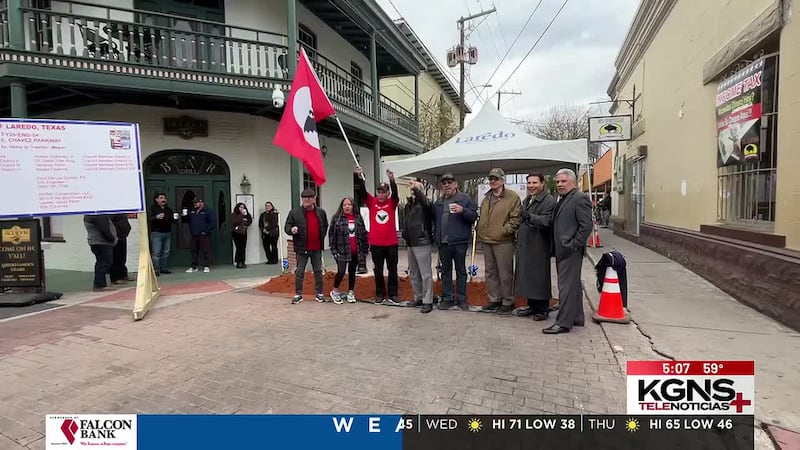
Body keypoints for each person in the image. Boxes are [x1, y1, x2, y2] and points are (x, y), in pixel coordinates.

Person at [543, 168, 593, 334]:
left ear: (573, 182)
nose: (560, 185)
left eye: (563, 181)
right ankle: (577, 317)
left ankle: (563, 323)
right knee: (573, 286)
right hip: (562, 250)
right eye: (558, 182)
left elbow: (586, 226)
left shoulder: (580, 198)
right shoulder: (564, 199)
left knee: (565, 287)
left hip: (570, 250)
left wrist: (573, 244)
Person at [476, 168, 521, 315]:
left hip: (503, 242)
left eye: (496, 178)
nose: (493, 181)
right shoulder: (486, 197)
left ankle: (508, 301)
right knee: (490, 272)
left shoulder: (512, 197)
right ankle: (494, 300)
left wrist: (503, 231)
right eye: (491, 179)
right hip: (487, 240)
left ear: (502, 180)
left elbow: (516, 219)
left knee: (505, 273)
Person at [431, 173, 477, 311]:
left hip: (459, 241)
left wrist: (463, 210)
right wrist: (436, 236)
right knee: (445, 271)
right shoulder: (439, 202)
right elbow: (435, 220)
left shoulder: (465, 199)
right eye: (444, 183)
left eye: (449, 182)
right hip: (443, 243)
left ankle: (461, 299)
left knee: (461, 270)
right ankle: (448, 298)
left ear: (456, 184)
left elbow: (474, 216)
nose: (447, 185)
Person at [355, 166, 400, 305]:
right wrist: (360, 176)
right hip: (376, 244)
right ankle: (380, 294)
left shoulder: (392, 203)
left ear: (387, 193)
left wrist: (392, 180)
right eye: (379, 192)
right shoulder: (372, 202)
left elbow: (396, 194)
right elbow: (362, 193)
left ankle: (393, 294)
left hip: (391, 243)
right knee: (378, 270)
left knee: (392, 269)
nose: (380, 195)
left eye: (383, 192)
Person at [514, 173, 556, 321]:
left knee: (539, 277)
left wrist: (529, 216)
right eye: (529, 183)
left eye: (534, 183)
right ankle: (532, 306)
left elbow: (547, 221)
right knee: (528, 276)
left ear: (542, 183)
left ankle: (543, 308)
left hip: (539, 245)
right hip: (527, 244)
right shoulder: (528, 199)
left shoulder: (549, 201)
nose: (531, 186)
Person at [285, 189, 329, 304]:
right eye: (304, 198)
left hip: (316, 248)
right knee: (299, 271)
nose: (306, 200)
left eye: (309, 198)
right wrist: (291, 230)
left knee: (318, 271)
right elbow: (287, 226)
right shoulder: (295, 212)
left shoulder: (321, 212)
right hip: (302, 247)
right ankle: (298, 294)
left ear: (314, 199)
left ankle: (319, 294)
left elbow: (325, 225)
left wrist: (321, 237)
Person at [328, 196, 368, 304]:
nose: (347, 206)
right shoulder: (337, 219)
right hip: (341, 250)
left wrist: (365, 250)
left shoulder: (358, 218)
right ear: (342, 206)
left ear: (353, 206)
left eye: (349, 204)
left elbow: (364, 234)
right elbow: (331, 235)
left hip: (355, 250)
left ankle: (351, 292)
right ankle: (335, 291)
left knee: (352, 272)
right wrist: (334, 250)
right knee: (341, 271)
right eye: (345, 204)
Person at [403, 178, 435, 313]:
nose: (413, 192)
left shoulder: (425, 204)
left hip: (422, 241)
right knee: (414, 273)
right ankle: (419, 297)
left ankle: (428, 301)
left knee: (425, 273)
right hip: (411, 242)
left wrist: (416, 187)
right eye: (412, 190)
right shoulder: (409, 205)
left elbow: (426, 203)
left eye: (415, 190)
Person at [83, 214, 118, 292]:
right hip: (102, 242)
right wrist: (112, 238)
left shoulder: (89, 215)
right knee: (104, 263)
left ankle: (99, 284)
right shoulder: (98, 215)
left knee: (101, 262)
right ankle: (100, 285)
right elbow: (104, 229)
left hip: (97, 242)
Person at [184, 197, 216, 273]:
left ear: (201, 203)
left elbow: (213, 223)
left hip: (204, 235)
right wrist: (184, 215)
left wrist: (205, 231)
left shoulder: (208, 211)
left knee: (206, 250)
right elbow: (187, 220)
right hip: (194, 235)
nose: (194, 204)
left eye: (196, 203)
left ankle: (207, 266)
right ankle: (194, 266)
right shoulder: (192, 211)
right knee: (194, 251)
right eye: (194, 203)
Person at [149, 192, 177, 275]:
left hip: (167, 232)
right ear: (156, 199)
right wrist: (156, 217)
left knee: (166, 252)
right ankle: (156, 270)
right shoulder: (153, 209)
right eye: (161, 198)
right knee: (156, 252)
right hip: (156, 233)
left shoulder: (168, 209)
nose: (163, 200)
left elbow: (172, 220)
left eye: (164, 198)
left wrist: (176, 218)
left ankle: (164, 268)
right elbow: (149, 219)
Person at [109, 214, 132, 285]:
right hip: (116, 236)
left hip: (123, 235)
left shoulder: (121, 211)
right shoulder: (111, 212)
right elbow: (110, 224)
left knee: (122, 257)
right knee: (116, 257)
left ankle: (123, 275)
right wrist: (114, 235)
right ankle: (115, 278)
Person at [231, 202, 253, 268]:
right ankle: (238, 262)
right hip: (236, 233)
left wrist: (246, 223)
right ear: (238, 208)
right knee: (239, 247)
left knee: (243, 247)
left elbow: (249, 220)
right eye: (240, 207)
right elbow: (235, 222)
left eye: (243, 207)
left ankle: (243, 262)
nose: (242, 208)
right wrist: (242, 215)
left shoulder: (246, 214)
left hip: (243, 232)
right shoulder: (234, 214)